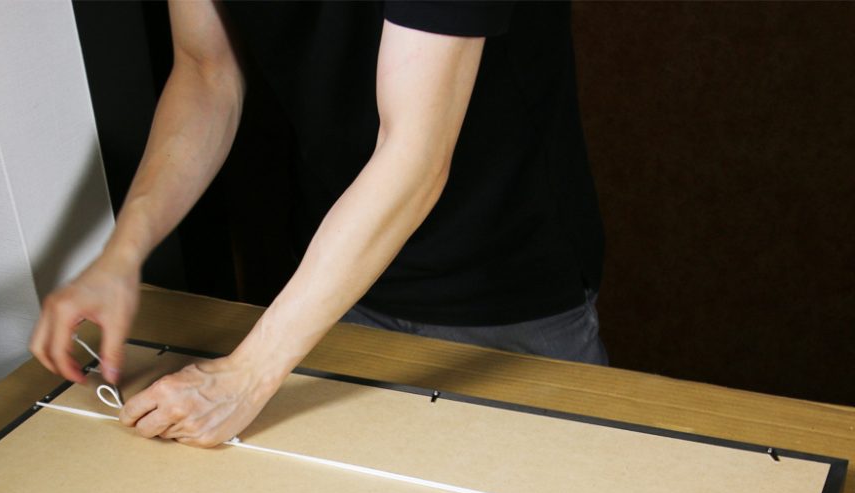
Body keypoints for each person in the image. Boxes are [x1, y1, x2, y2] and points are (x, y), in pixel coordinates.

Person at [30, 0, 604, 447]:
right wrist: (123, 254)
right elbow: (207, 72)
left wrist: (247, 375)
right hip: (326, 288)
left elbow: (415, 152)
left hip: (503, 285)